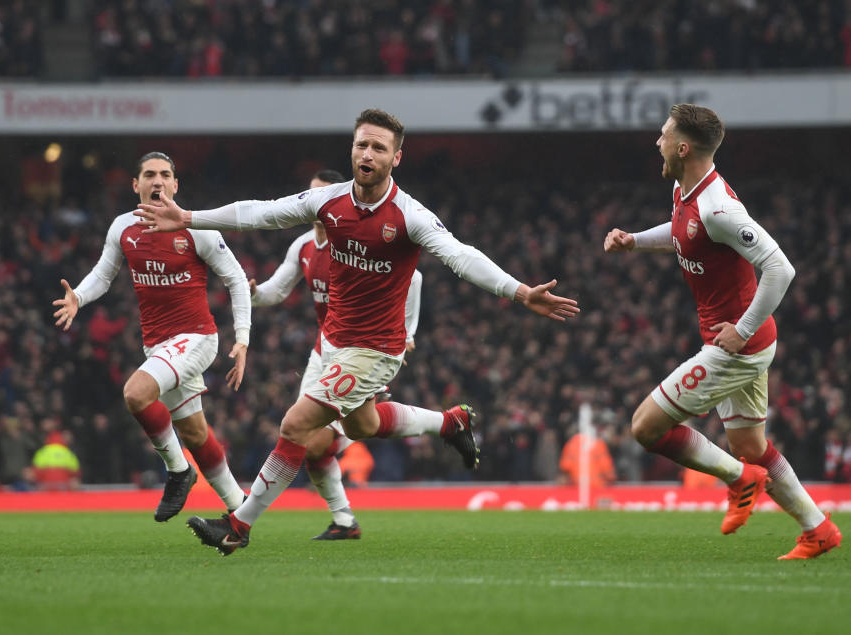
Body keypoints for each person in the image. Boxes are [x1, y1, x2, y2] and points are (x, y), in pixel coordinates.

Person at [135, 108, 580, 555]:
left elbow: (461, 256)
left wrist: (521, 292)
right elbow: (263, 213)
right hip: (334, 342)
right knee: (362, 423)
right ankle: (451, 422)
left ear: (396, 158)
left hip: (375, 349)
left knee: (297, 425)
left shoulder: (409, 215)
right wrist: (190, 217)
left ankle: (239, 525)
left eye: (378, 148)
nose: (367, 153)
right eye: (361, 144)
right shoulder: (329, 201)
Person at [603, 104, 841, 560]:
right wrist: (634, 240)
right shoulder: (684, 190)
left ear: (682, 146)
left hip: (737, 345)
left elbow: (780, 268)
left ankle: (739, 478)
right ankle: (818, 528)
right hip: (744, 340)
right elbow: (681, 234)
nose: (657, 142)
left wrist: (743, 327)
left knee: (645, 427)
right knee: (750, 445)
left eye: (663, 135)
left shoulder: (718, 209)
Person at [52, 152, 250, 521]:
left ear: (176, 185)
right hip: (158, 345)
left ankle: (178, 471)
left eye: (164, 175)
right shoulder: (122, 228)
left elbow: (236, 278)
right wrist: (78, 296)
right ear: (136, 185)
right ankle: (241, 511)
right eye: (149, 175)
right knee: (195, 433)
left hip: (197, 338)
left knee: (136, 392)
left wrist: (242, 338)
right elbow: (103, 274)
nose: (157, 181)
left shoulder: (197, 228)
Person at [250, 168, 424, 540]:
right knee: (313, 442)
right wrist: (253, 294)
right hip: (323, 350)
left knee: (317, 437)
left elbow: (416, 278)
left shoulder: (359, 239)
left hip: (362, 349)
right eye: (312, 195)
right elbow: (278, 290)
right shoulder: (302, 246)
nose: (318, 204)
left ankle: (243, 519)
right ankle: (344, 520)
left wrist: (408, 333)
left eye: (325, 195)